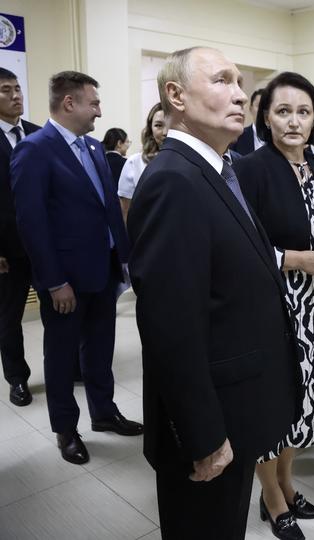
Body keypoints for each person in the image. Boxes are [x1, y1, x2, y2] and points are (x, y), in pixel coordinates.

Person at [126, 47, 300, 540]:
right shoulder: (174, 181)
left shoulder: (219, 171)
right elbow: (170, 327)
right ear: (175, 95)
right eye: (222, 80)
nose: (241, 94)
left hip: (235, 406)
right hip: (208, 426)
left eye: (241, 82)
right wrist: (203, 436)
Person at [235, 71, 314, 540]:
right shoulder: (249, 169)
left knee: (301, 404)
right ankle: (271, 496)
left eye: (303, 112)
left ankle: (286, 480)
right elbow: (240, 245)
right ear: (265, 117)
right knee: (273, 404)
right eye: (283, 111)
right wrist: (293, 259)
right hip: (274, 307)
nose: (294, 121)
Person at [10, 71, 141, 465]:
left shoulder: (95, 149)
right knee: (62, 354)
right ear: (69, 103)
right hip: (64, 279)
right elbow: (31, 224)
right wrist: (54, 282)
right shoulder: (35, 149)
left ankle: (104, 412)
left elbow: (109, 211)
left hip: (102, 271)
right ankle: (66, 429)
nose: (99, 110)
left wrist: (124, 259)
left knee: (100, 349)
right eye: (94, 103)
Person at [0, 67, 39, 407]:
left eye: (17, 88)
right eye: (5, 90)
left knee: (61, 310)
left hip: (46, 246)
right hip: (8, 249)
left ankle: (68, 366)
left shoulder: (39, 135)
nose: (16, 95)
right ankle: (17, 379)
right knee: (9, 318)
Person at [117, 103, 167, 221]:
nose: (165, 132)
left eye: (171, 125)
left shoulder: (192, 160)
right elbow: (126, 213)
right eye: (158, 125)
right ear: (150, 129)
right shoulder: (134, 163)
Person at [231, 88, 266, 155]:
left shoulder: (279, 138)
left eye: (266, 106)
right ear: (251, 109)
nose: (262, 110)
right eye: (259, 106)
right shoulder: (237, 138)